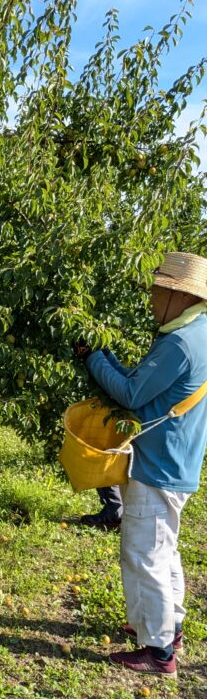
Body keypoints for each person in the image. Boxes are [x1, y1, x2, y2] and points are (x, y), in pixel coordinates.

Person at [76, 251, 207, 676]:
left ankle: (157, 650)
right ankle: (169, 625)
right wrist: (107, 357)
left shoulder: (180, 344)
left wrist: (93, 358)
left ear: (177, 294)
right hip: (179, 461)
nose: (151, 298)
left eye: (156, 290)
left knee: (144, 553)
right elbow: (144, 383)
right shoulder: (199, 332)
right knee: (163, 550)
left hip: (158, 464)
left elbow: (131, 396)